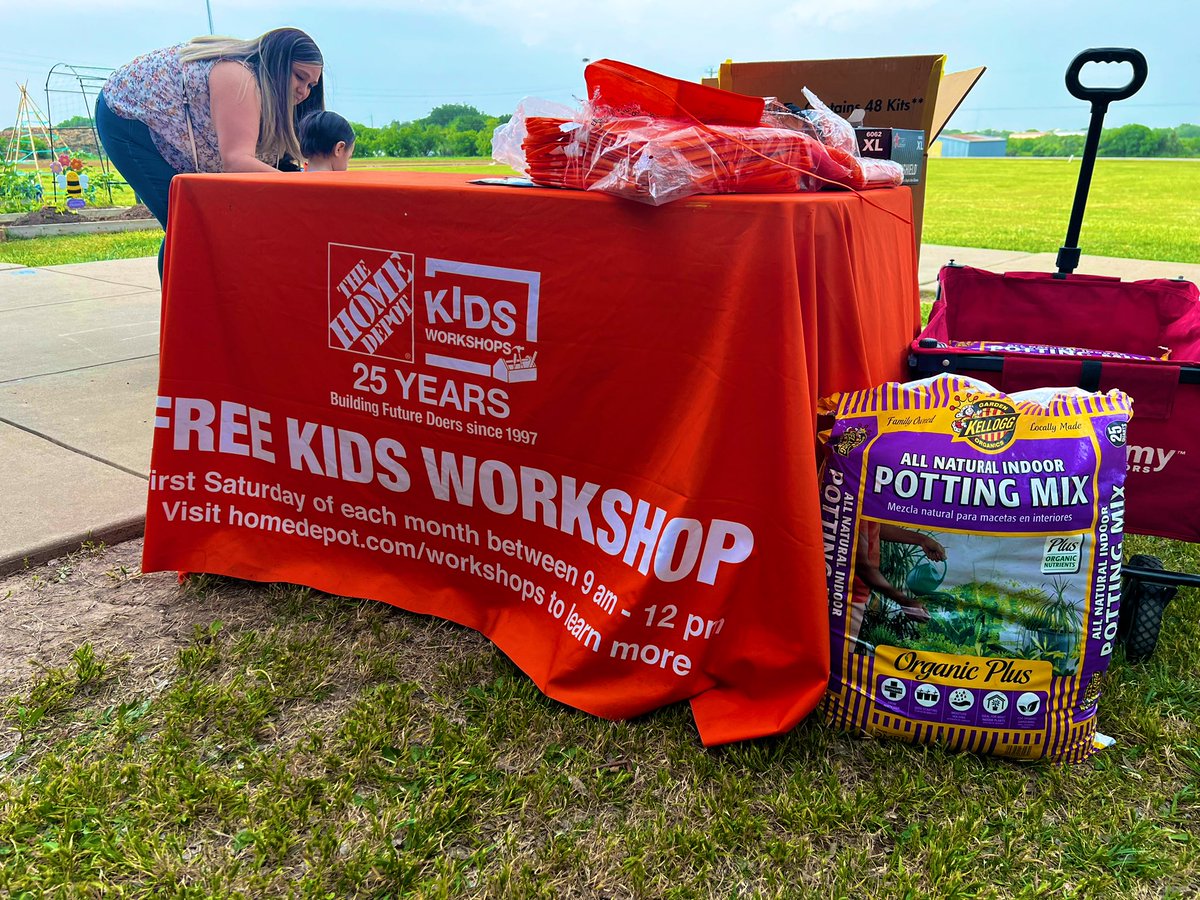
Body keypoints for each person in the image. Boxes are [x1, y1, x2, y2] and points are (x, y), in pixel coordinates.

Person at [94, 28, 325, 277]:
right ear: (276, 63)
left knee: (199, 223)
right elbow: (236, 162)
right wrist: (303, 191)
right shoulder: (238, 76)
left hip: (173, 131)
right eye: (299, 77)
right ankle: (180, 302)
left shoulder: (268, 96)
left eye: (311, 85)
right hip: (127, 119)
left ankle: (193, 298)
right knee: (187, 222)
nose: (304, 91)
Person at [848, 524, 947, 648]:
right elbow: (862, 566)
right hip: (846, 597)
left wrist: (923, 540)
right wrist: (905, 601)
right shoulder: (855, 511)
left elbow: (874, 527)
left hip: (858, 594)